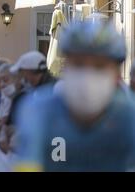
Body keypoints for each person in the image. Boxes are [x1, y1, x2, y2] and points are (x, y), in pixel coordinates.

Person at [15, 20, 135, 171]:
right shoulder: (38, 110)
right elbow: (28, 163)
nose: (87, 76)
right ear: (65, 67)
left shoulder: (130, 115)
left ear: (117, 74)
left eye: (100, 66)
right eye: (78, 64)